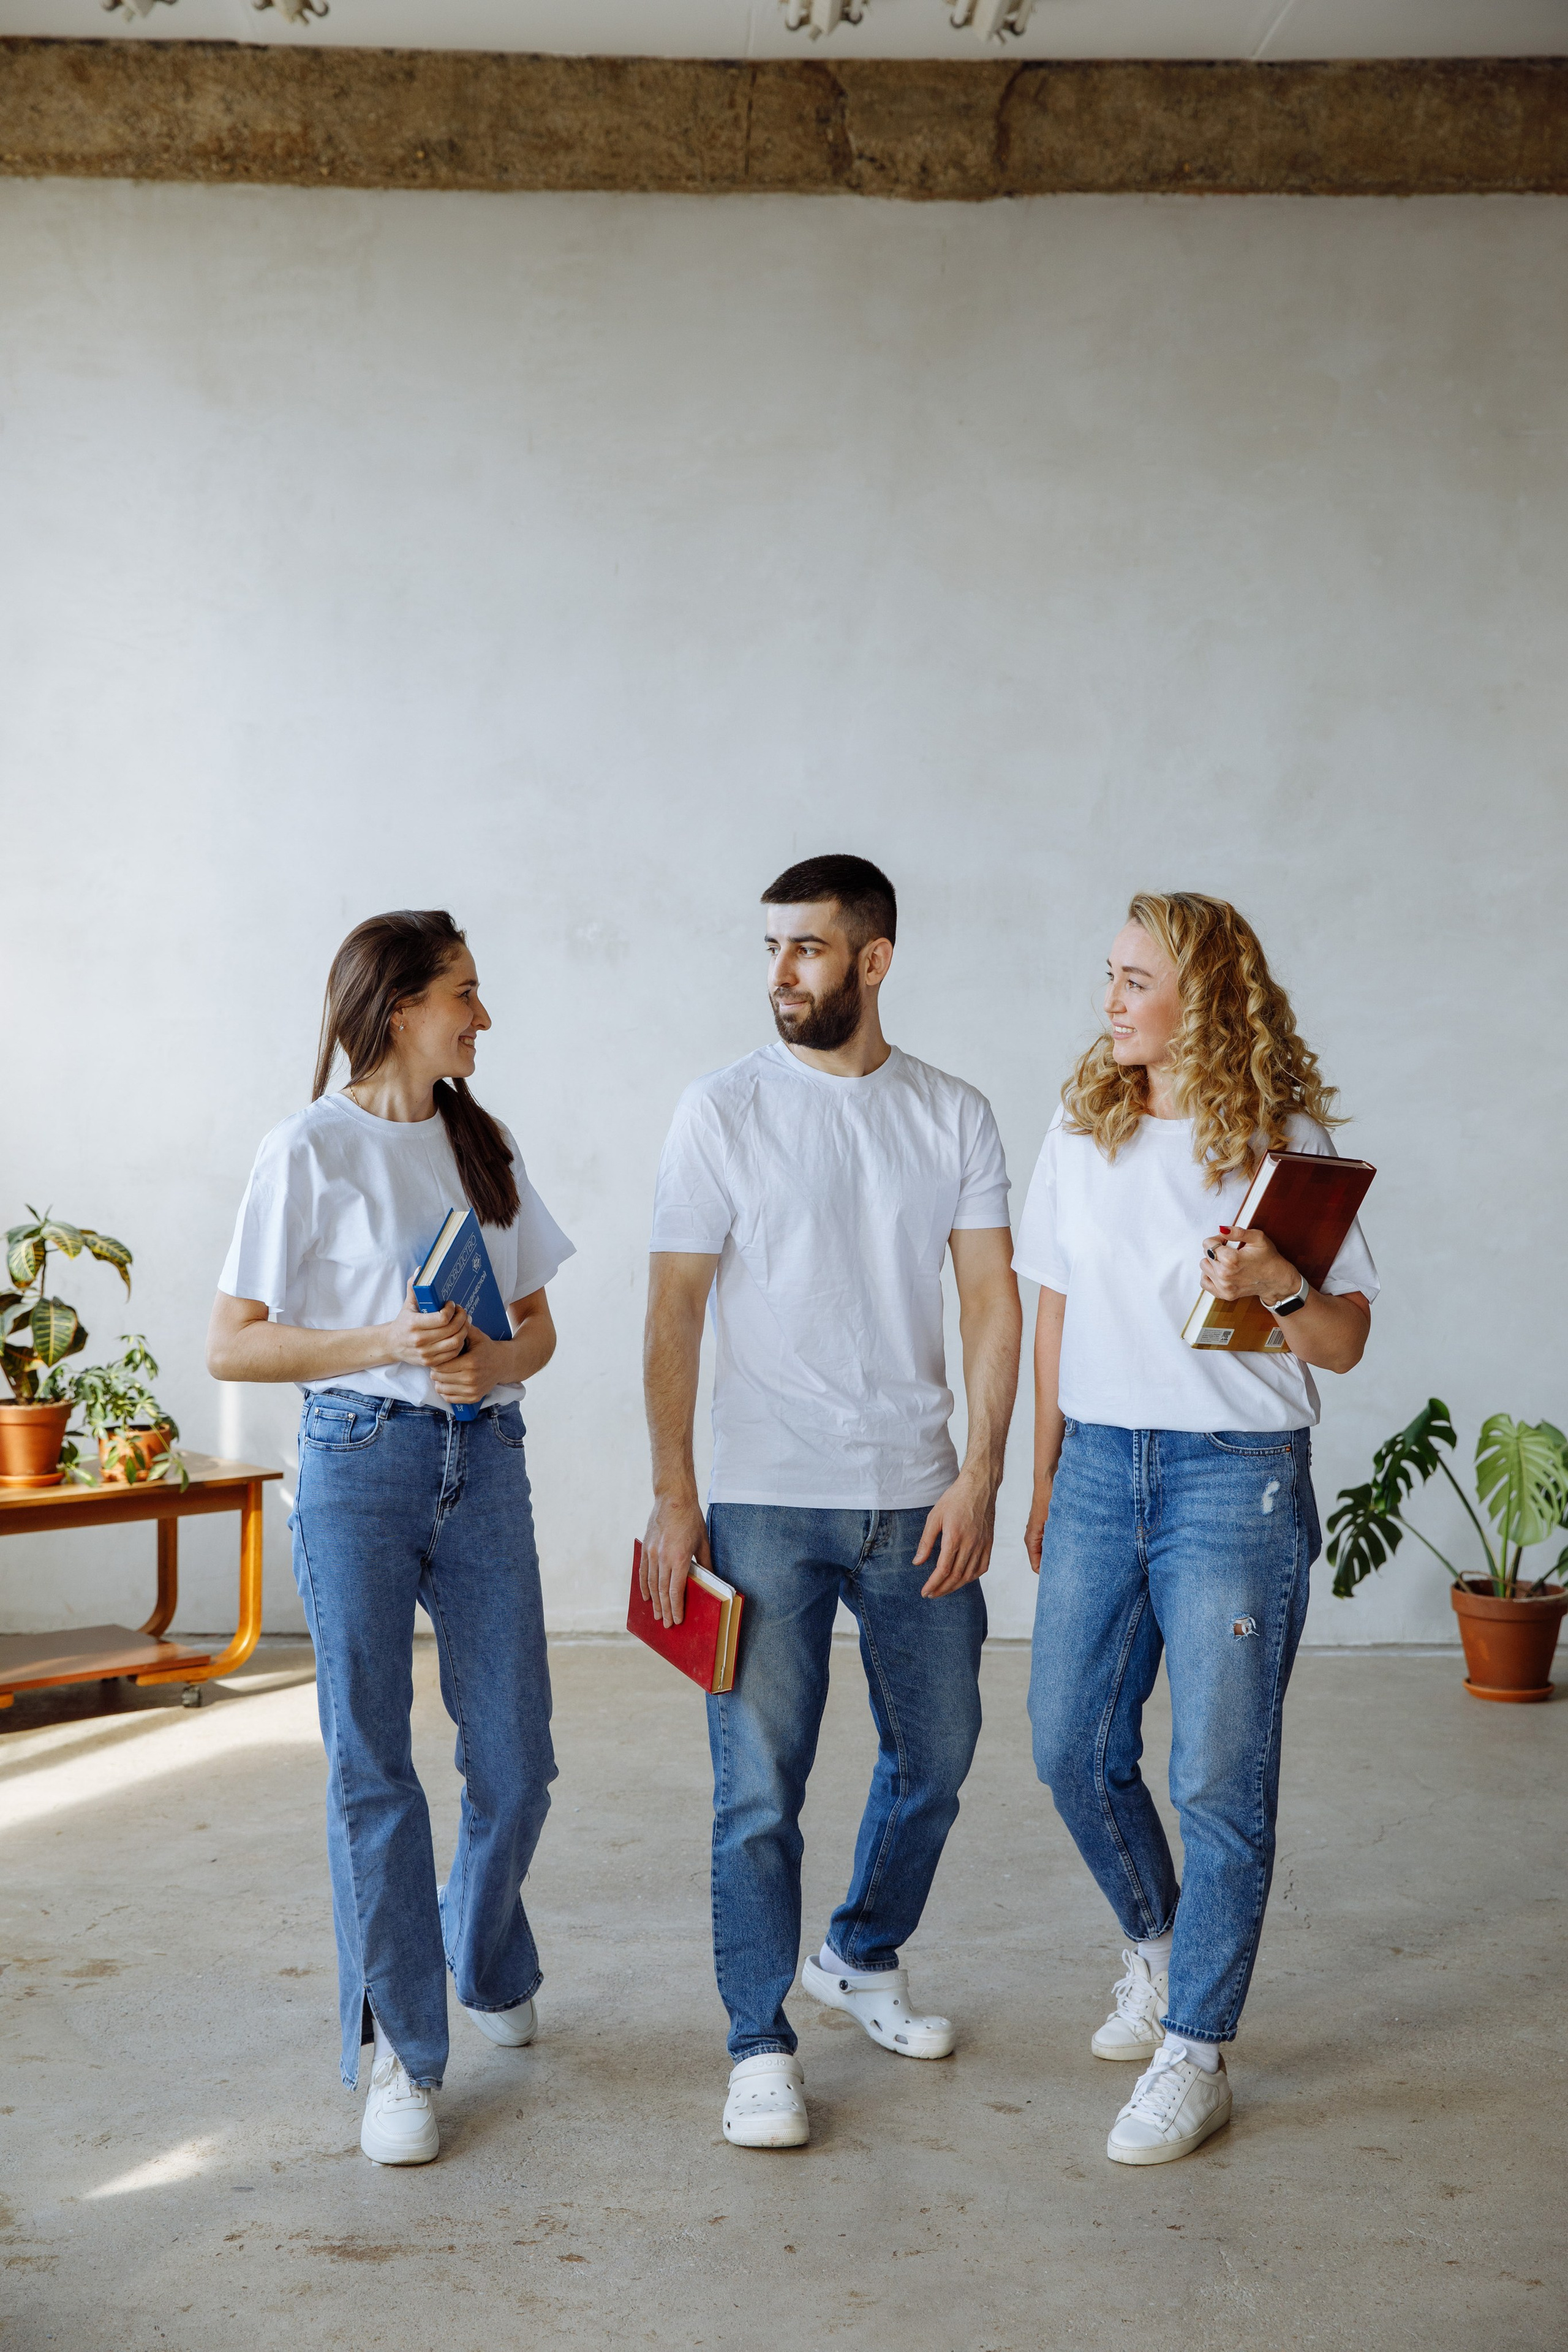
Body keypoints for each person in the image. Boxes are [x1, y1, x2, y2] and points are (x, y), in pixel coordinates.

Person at [641, 853, 1022, 2151]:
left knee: (942, 1756)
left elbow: (986, 1300)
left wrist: (977, 1471)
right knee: (758, 1792)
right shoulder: (719, 1109)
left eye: (804, 949)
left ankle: (859, 1950)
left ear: (873, 959)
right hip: (759, 1505)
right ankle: (758, 2041)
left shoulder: (951, 1113)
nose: (779, 975)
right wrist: (672, 1495)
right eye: (768, 949)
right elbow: (674, 1306)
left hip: (917, 1497)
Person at [206, 910, 573, 2167]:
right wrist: (386, 1345)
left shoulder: (484, 1143)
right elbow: (233, 1344)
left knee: (516, 1760)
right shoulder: (308, 1148)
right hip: (356, 1464)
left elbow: (537, 1332)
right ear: (397, 1004)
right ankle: (403, 2058)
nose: (483, 1016)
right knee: (372, 1765)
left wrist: (491, 1364)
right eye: (464, 993)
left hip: (485, 1464)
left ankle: (481, 1950)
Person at [1016, 891, 1376, 2167]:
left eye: (1132, 981)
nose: (1108, 1001)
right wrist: (1046, 1472)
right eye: (1105, 976)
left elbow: (1337, 1345)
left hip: (1236, 1479)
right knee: (1068, 1743)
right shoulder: (1081, 1123)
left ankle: (1195, 2051)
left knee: (1218, 1780)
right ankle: (1160, 1953)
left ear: (1200, 998)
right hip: (1104, 1465)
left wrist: (1277, 1282)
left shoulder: (1280, 1143)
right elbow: (1052, 1306)